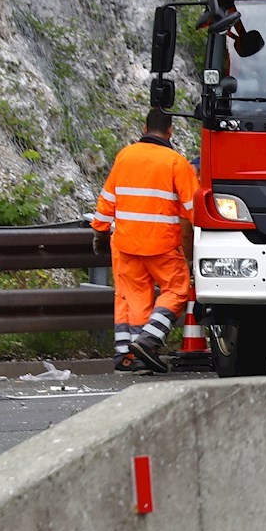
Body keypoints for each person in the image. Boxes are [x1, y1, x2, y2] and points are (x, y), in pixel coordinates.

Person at [90, 107, 197, 372]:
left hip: (126, 243)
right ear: (170, 131)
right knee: (177, 290)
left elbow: (107, 201)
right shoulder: (175, 162)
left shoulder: (125, 156)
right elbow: (195, 209)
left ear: (144, 128)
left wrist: (100, 233)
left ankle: (127, 357)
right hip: (161, 245)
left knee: (134, 298)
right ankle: (147, 343)